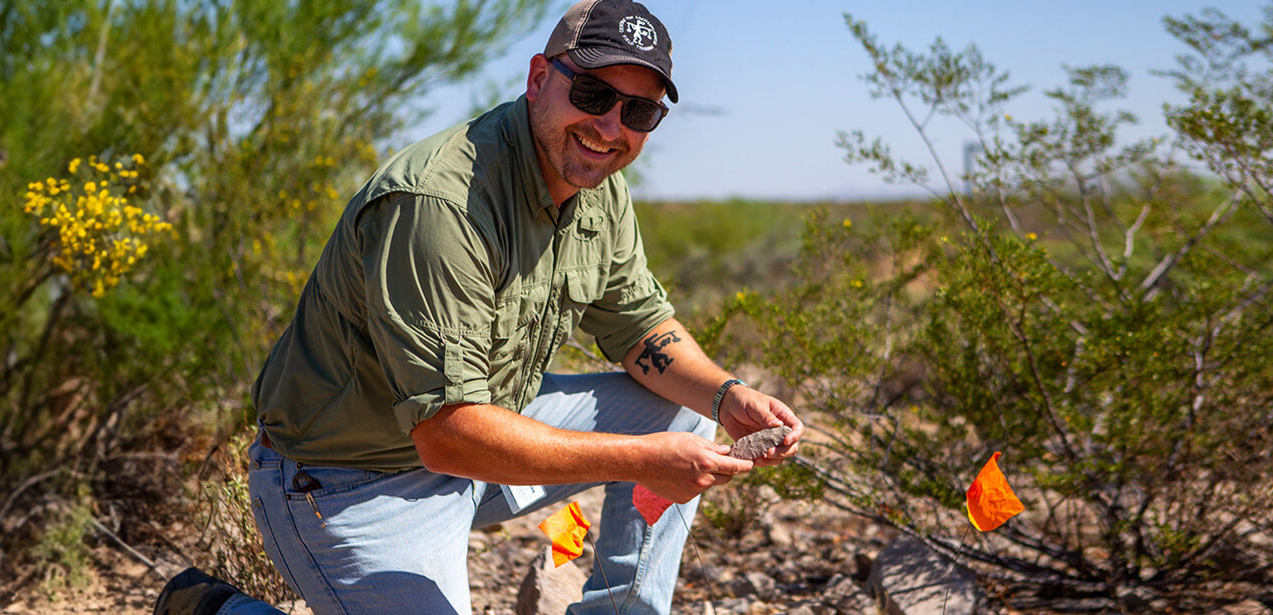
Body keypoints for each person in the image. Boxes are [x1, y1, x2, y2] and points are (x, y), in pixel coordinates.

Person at [152, 1, 805, 614]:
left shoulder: (599, 185)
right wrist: (641, 460)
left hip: (479, 434)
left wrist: (726, 396)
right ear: (539, 78)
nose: (611, 128)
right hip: (351, 482)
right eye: (593, 95)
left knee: (684, 414)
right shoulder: (440, 205)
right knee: (654, 444)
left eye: (640, 112)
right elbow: (446, 433)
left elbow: (640, 327)